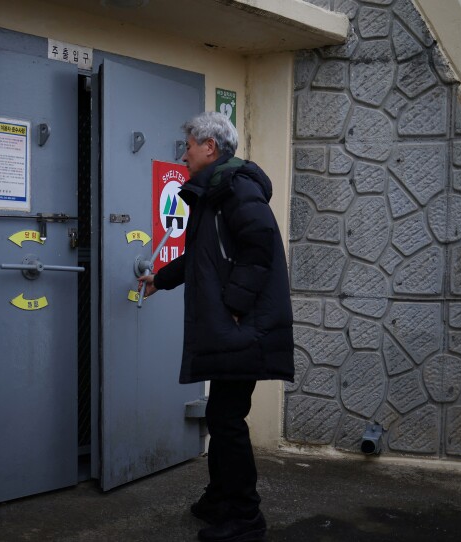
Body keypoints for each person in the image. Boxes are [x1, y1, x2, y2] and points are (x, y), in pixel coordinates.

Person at [138, 112, 294, 542]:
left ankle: (245, 516)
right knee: (222, 414)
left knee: (226, 418)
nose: (184, 153)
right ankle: (220, 499)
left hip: (243, 325)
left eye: (189, 145)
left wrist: (236, 304)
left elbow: (260, 247)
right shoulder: (215, 192)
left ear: (210, 147)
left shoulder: (235, 189)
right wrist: (161, 279)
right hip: (236, 325)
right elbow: (201, 257)